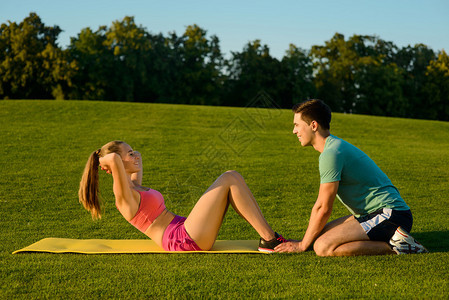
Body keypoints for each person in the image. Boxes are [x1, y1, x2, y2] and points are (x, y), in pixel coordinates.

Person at [275, 99, 428, 256]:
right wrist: (305, 240)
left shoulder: (331, 154)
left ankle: (400, 246)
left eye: (297, 125)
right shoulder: (333, 147)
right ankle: (392, 238)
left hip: (391, 214)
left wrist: (301, 245)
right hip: (375, 213)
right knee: (317, 235)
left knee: (322, 247)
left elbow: (323, 207)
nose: (294, 131)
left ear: (313, 125)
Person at [79, 140, 286, 252]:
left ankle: (270, 237)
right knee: (229, 177)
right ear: (113, 165)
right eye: (129, 153)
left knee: (234, 178)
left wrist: (130, 155)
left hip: (183, 228)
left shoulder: (134, 186)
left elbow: (134, 160)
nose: (135, 155)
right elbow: (114, 158)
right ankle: (269, 241)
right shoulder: (124, 198)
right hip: (179, 239)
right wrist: (102, 161)